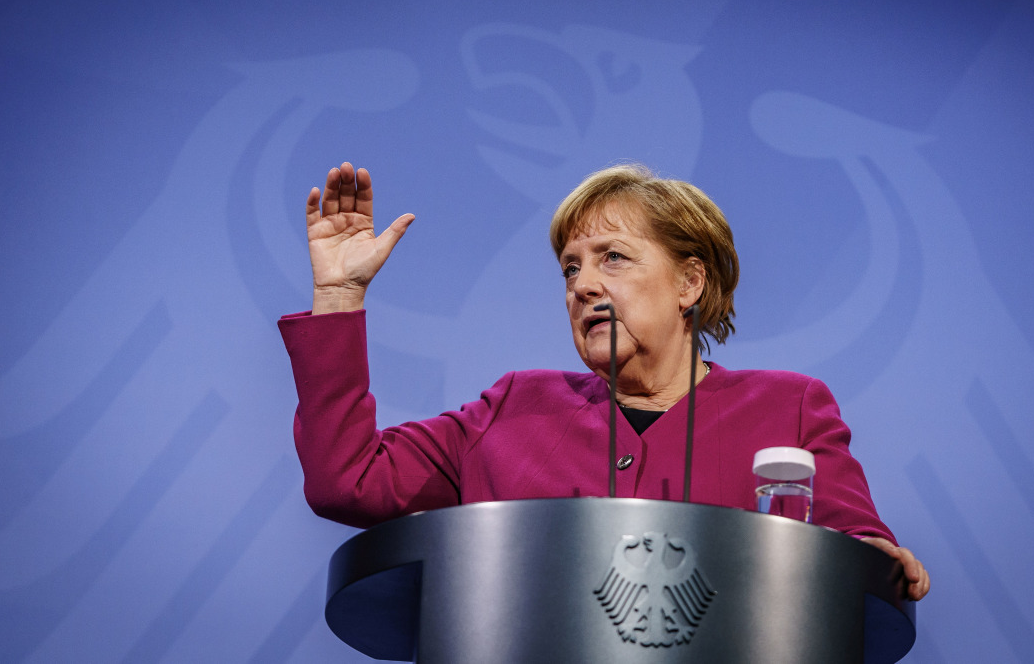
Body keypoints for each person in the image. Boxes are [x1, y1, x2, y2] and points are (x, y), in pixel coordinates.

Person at [279, 161, 930, 601]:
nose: (583, 284)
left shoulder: (790, 408)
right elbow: (347, 479)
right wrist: (339, 293)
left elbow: (855, 546)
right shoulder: (511, 409)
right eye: (569, 268)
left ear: (689, 282)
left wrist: (877, 561)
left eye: (612, 258)